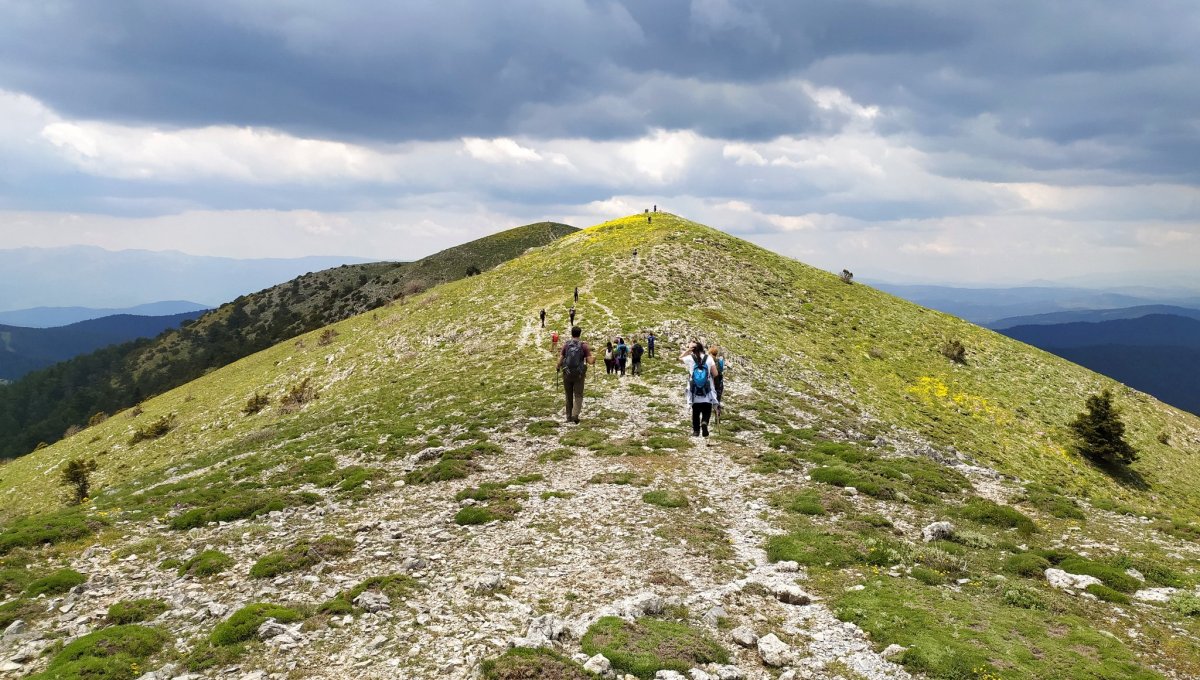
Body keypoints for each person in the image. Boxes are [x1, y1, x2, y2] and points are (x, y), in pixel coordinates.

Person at [680, 341, 720, 442]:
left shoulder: (690, 358)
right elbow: (715, 374)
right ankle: (705, 422)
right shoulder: (709, 358)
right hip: (707, 390)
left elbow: (679, 359)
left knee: (696, 410)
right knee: (707, 409)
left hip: (694, 390)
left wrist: (688, 351)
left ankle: (696, 431)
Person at [556, 326, 595, 423]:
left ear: (571, 333)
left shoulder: (566, 345)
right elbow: (590, 361)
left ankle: (568, 417)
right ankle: (575, 414)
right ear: (580, 334)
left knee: (568, 395)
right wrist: (594, 358)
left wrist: (558, 367)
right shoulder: (584, 346)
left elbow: (560, 359)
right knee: (578, 395)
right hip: (579, 375)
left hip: (567, 373)